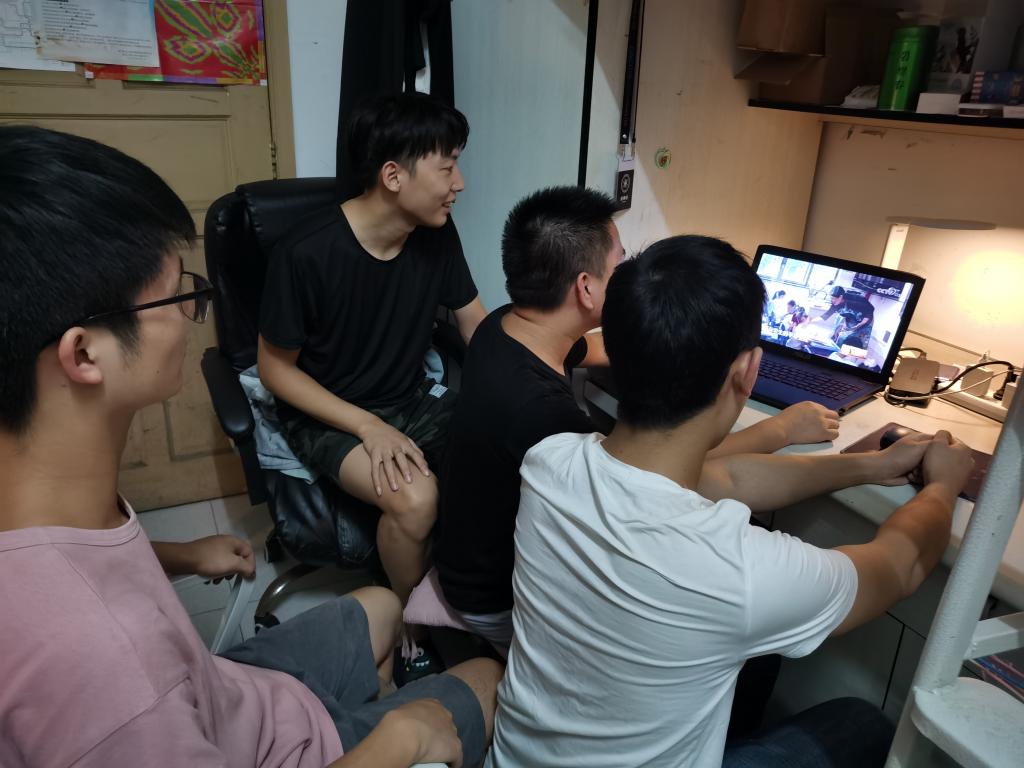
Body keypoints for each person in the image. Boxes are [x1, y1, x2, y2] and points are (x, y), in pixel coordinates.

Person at [0, 125, 501, 768]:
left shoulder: (51, 495)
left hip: (230, 693)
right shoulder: (112, 677)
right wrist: (401, 737)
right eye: (181, 293)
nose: (194, 315)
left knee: (381, 604)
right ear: (84, 353)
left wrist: (180, 555)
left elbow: (67, 567)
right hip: (254, 734)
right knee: (488, 678)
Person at [486, 235, 973, 767]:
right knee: (864, 723)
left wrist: (868, 466)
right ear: (747, 371)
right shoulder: (737, 571)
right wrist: (944, 485)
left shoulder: (548, 463)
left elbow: (724, 478)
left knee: (753, 660)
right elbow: (901, 566)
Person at [435, 187, 914, 662]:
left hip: (464, 551)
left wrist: (660, 335)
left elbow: (596, 353)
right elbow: (673, 466)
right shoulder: (548, 423)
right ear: (586, 287)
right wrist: (781, 430)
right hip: (495, 596)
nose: (626, 274)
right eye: (620, 264)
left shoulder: (506, 327)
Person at [257, 92, 487, 609]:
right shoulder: (306, 253)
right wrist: (367, 425)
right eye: (447, 167)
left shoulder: (436, 234)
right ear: (393, 176)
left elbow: (475, 322)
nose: (459, 183)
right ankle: (408, 619)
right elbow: (274, 369)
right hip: (330, 415)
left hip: (409, 397)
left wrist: (522, 378)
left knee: (502, 457)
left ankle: (468, 596)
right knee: (417, 500)